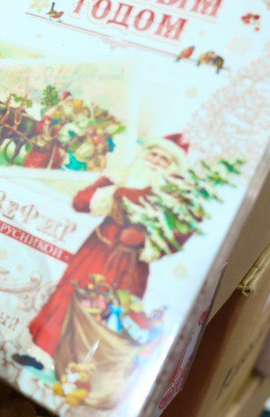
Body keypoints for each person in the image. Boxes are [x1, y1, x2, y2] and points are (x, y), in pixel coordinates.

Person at [16, 134, 191, 367]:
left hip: (130, 264)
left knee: (108, 312)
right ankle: (42, 353)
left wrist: (146, 241)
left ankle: (80, 367)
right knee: (68, 296)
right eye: (153, 154)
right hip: (96, 251)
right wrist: (110, 191)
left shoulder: (173, 199)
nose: (155, 161)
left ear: (172, 167)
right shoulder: (120, 177)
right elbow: (80, 202)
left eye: (164, 159)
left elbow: (178, 235)